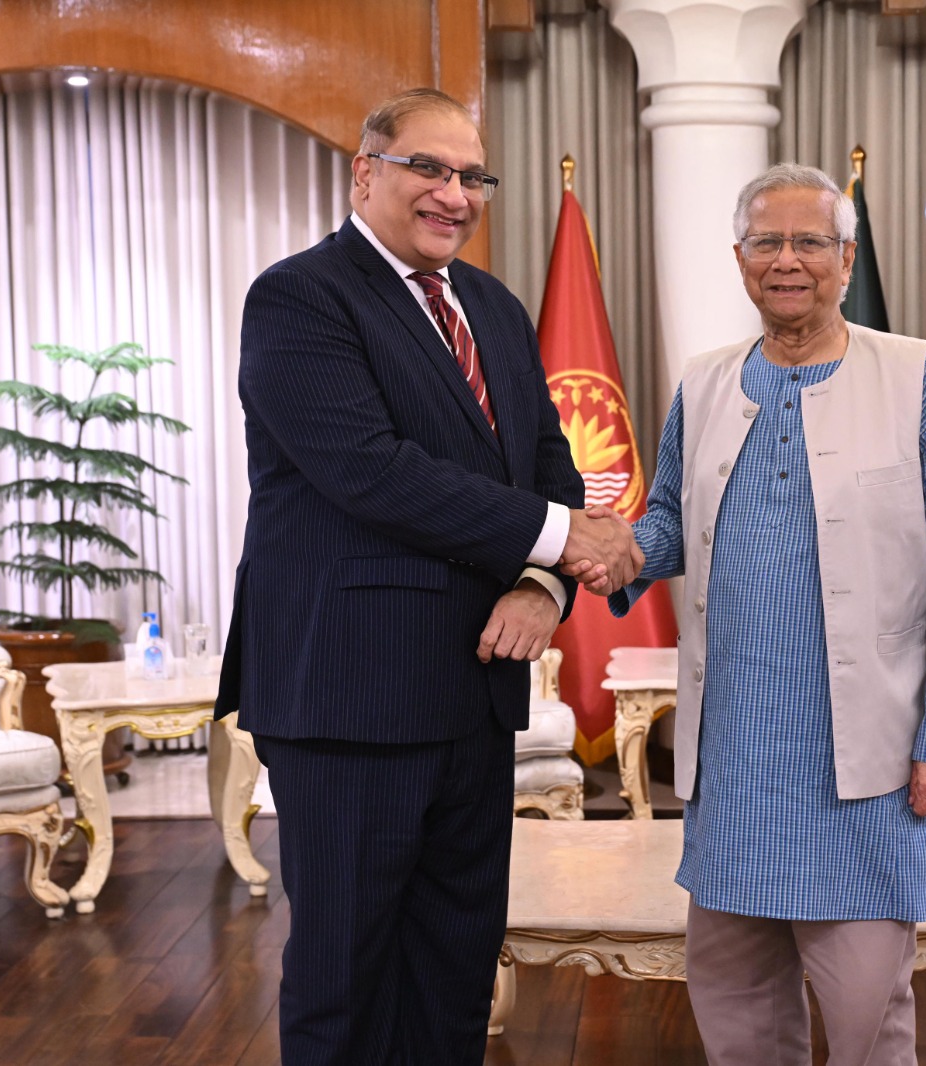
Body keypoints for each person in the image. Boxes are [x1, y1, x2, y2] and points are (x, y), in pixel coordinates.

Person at [215, 88, 641, 1065]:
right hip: (348, 694)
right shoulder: (299, 297)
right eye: (429, 169)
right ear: (364, 172)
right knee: (345, 976)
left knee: (453, 968)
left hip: (472, 693)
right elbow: (372, 473)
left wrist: (543, 588)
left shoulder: (492, 305)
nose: (454, 194)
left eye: (471, 176)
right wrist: (565, 536)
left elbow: (546, 461)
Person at [569, 163, 926, 1064]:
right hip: (737, 758)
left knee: (867, 1017)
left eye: (810, 242)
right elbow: (668, 523)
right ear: (740, 259)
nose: (788, 260)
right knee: (738, 1010)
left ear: (846, 260)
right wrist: (614, 550)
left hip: (868, 764)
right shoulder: (706, 383)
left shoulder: (912, 379)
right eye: (768, 241)